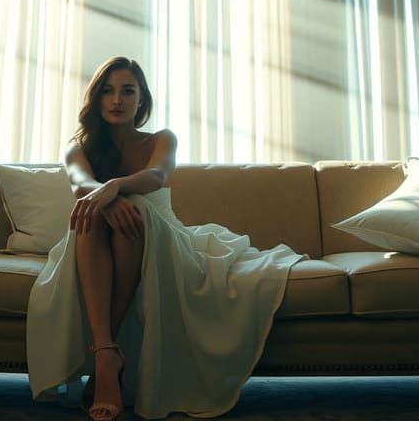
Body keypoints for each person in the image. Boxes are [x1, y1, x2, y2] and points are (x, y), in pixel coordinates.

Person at [26, 56, 305, 420]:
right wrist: (106, 202)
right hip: (93, 238)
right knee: (97, 218)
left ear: (142, 99)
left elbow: (157, 176)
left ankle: (104, 357)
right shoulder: (77, 147)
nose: (117, 100)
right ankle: (108, 356)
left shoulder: (162, 139)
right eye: (108, 91)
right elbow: (81, 184)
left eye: (128, 91)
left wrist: (115, 188)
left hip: (162, 236)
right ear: (96, 99)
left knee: (135, 212)